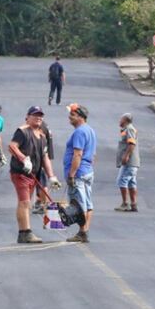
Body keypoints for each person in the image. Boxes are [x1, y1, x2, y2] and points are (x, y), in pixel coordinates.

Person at [8, 106, 61, 244]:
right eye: (35, 115)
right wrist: (23, 158)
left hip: (34, 174)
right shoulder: (23, 131)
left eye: (40, 115)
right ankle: (25, 232)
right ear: (28, 117)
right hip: (21, 172)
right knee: (24, 202)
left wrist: (51, 177)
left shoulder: (42, 136)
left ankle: (24, 232)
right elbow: (12, 146)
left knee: (27, 203)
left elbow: (45, 157)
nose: (38, 117)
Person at [63, 103, 97, 243]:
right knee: (87, 204)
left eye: (73, 115)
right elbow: (93, 155)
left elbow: (77, 154)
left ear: (81, 117)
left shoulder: (79, 132)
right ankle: (84, 231)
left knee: (78, 204)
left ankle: (83, 232)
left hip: (79, 173)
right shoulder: (90, 130)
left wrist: (72, 174)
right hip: (87, 171)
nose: (69, 117)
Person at [114, 113, 139, 212]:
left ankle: (125, 203)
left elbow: (131, 143)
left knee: (121, 181)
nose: (119, 121)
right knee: (131, 183)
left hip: (129, 162)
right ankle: (133, 204)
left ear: (125, 120)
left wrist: (126, 155)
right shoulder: (127, 129)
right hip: (132, 163)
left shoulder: (129, 129)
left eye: (121, 119)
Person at [31, 119, 55, 215]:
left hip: (39, 159)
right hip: (43, 157)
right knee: (40, 183)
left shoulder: (40, 128)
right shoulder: (45, 125)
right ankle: (39, 200)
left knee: (42, 183)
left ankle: (44, 204)